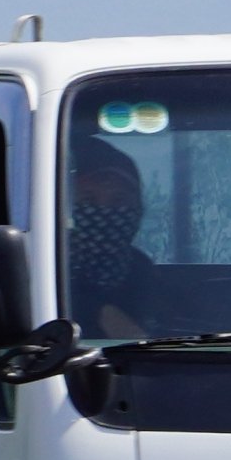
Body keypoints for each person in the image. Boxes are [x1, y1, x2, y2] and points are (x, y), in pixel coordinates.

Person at [64, 140, 161, 339]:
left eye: (119, 201)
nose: (105, 211)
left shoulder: (139, 269)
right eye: (89, 200)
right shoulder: (47, 265)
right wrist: (97, 311)